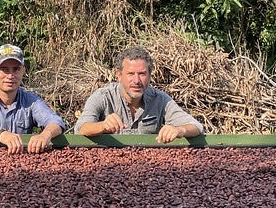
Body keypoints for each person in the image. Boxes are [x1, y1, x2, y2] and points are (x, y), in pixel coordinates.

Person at [74, 46, 204, 142]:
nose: (136, 81)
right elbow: (80, 129)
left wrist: (179, 130)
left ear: (149, 76)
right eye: (130, 74)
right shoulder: (103, 97)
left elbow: (196, 127)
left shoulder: (160, 100)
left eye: (142, 74)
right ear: (119, 75)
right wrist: (102, 126)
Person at [0, 44, 66, 154]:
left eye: (16, 69)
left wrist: (45, 135)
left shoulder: (31, 101)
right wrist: (1, 134)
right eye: (4, 69)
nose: (10, 76)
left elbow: (56, 121)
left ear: (23, 71)